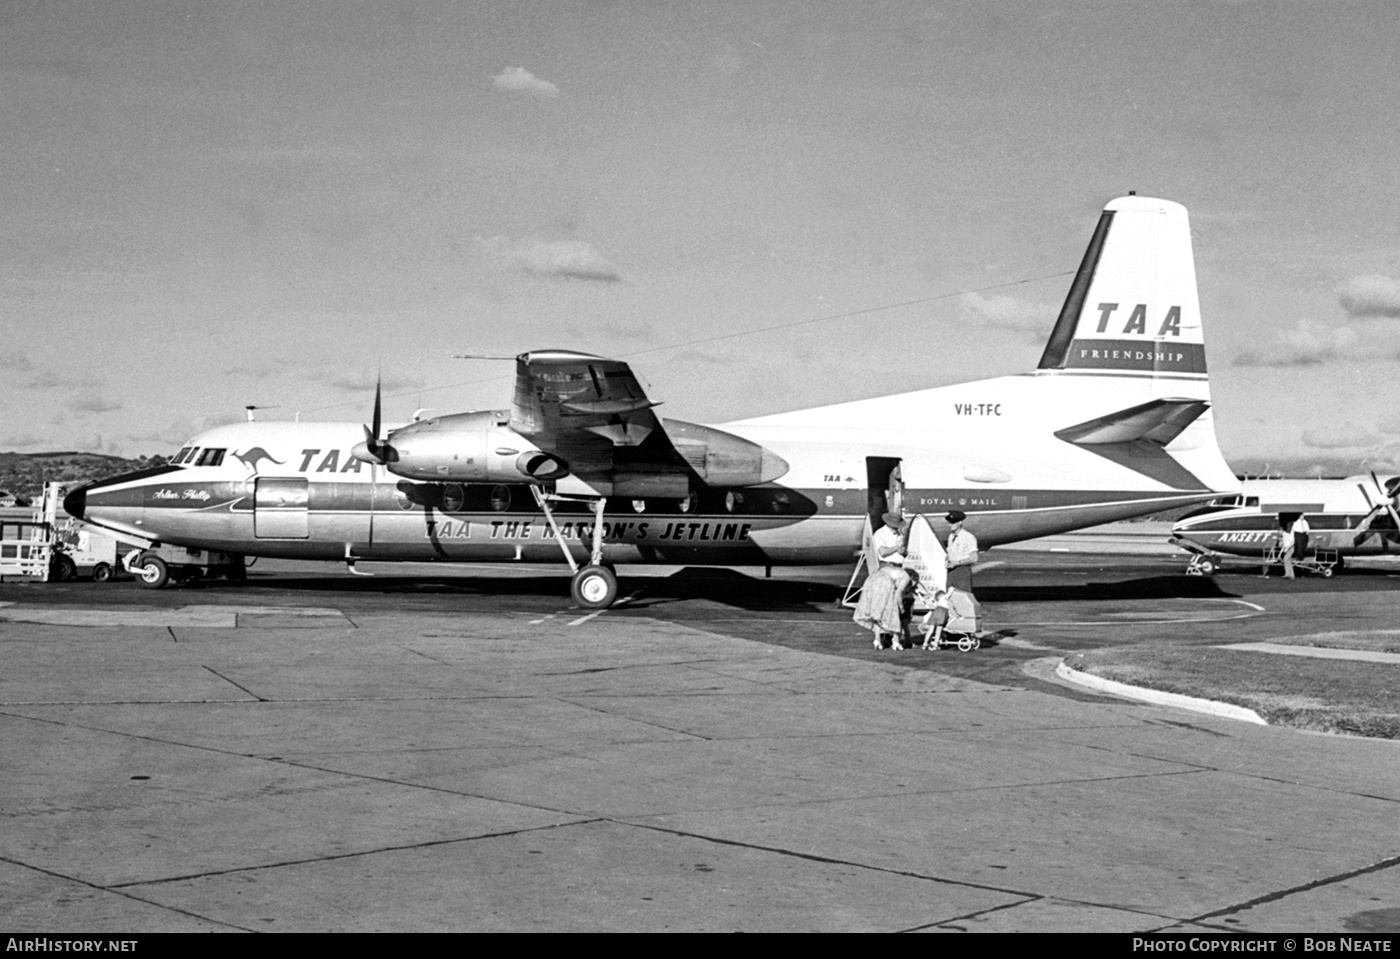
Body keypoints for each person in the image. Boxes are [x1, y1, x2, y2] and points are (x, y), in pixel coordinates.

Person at [854, 557, 913, 649]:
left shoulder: (892, 570)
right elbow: (898, 593)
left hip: (872, 579)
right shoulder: (906, 577)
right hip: (884, 582)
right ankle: (896, 641)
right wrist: (901, 607)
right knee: (894, 611)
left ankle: (877, 640)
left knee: (878, 613)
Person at [944, 510, 979, 592]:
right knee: (949, 598)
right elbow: (950, 553)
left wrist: (956, 563)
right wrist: (947, 560)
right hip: (951, 572)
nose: (950, 525)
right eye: (949, 522)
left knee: (962, 597)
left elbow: (974, 558)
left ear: (960, 522)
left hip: (962, 571)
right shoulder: (951, 536)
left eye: (953, 522)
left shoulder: (968, 537)